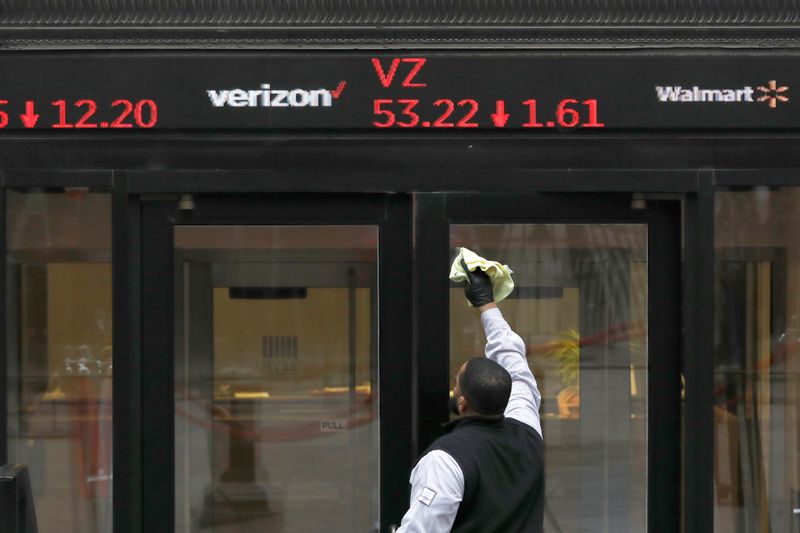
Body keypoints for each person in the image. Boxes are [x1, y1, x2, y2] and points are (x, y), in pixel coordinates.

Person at [397, 261, 544, 532]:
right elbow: (514, 361)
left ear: (462, 403)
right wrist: (486, 304)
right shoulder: (528, 430)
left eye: (457, 386)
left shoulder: (444, 460)